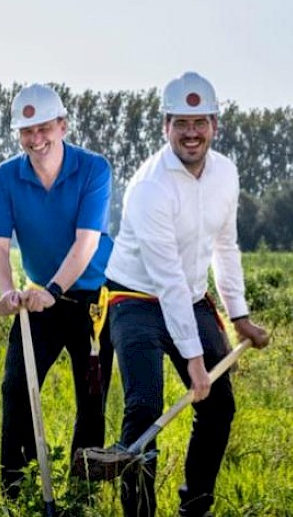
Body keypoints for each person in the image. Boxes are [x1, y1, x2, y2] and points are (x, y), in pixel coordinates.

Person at [105, 71, 271, 517]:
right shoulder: (149, 188)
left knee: (219, 408)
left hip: (192, 299)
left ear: (215, 124)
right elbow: (166, 280)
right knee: (143, 407)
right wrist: (194, 361)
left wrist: (239, 316)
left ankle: (194, 508)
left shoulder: (226, 173)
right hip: (134, 299)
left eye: (200, 122)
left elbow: (225, 245)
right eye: (181, 123)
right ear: (166, 126)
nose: (191, 133)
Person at [0, 83, 116, 500]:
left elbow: (87, 243)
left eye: (44, 127)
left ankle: (83, 489)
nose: (36, 139)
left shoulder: (94, 169)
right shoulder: (5, 177)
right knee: (15, 385)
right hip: (37, 296)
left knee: (91, 393)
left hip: (93, 298)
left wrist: (55, 288)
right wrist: (8, 291)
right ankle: (15, 486)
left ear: (63, 125)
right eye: (27, 131)